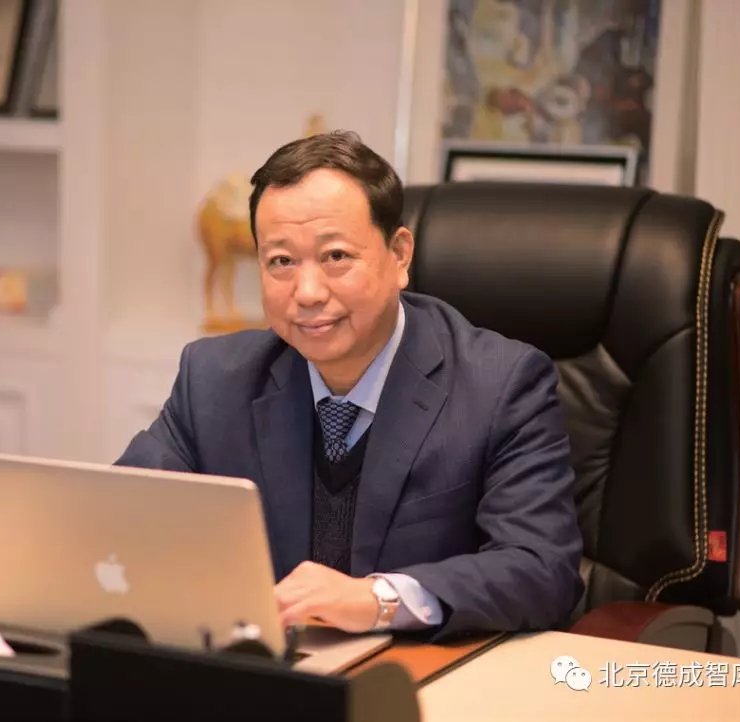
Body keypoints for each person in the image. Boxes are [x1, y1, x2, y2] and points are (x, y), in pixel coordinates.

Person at [115, 130, 583, 640]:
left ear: (399, 255)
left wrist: (379, 600)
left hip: (417, 669)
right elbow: (119, 517)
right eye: (281, 262)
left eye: (336, 256)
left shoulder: (501, 385)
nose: (308, 293)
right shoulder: (214, 379)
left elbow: (542, 568)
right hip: (268, 664)